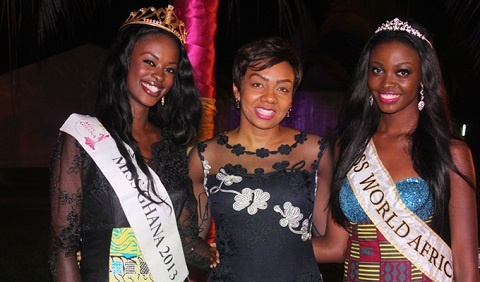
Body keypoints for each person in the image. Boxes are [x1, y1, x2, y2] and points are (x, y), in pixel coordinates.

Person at [48, 5, 218, 281]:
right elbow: (63, 248)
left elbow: (186, 242)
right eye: (149, 62)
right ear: (125, 61)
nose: (159, 76)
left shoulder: (171, 146)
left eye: (170, 69)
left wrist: (229, 251)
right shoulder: (82, 138)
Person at [314, 18, 479, 281]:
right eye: (377, 70)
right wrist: (254, 242)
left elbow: (465, 262)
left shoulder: (450, 152)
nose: (387, 83)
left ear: (423, 78)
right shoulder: (349, 145)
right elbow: (335, 246)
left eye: (402, 72)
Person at [188, 36, 333, 281]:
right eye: (258, 84)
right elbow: (192, 242)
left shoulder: (314, 151)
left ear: (291, 98)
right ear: (237, 89)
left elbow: (329, 239)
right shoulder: (205, 155)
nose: (269, 97)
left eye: (283, 88)